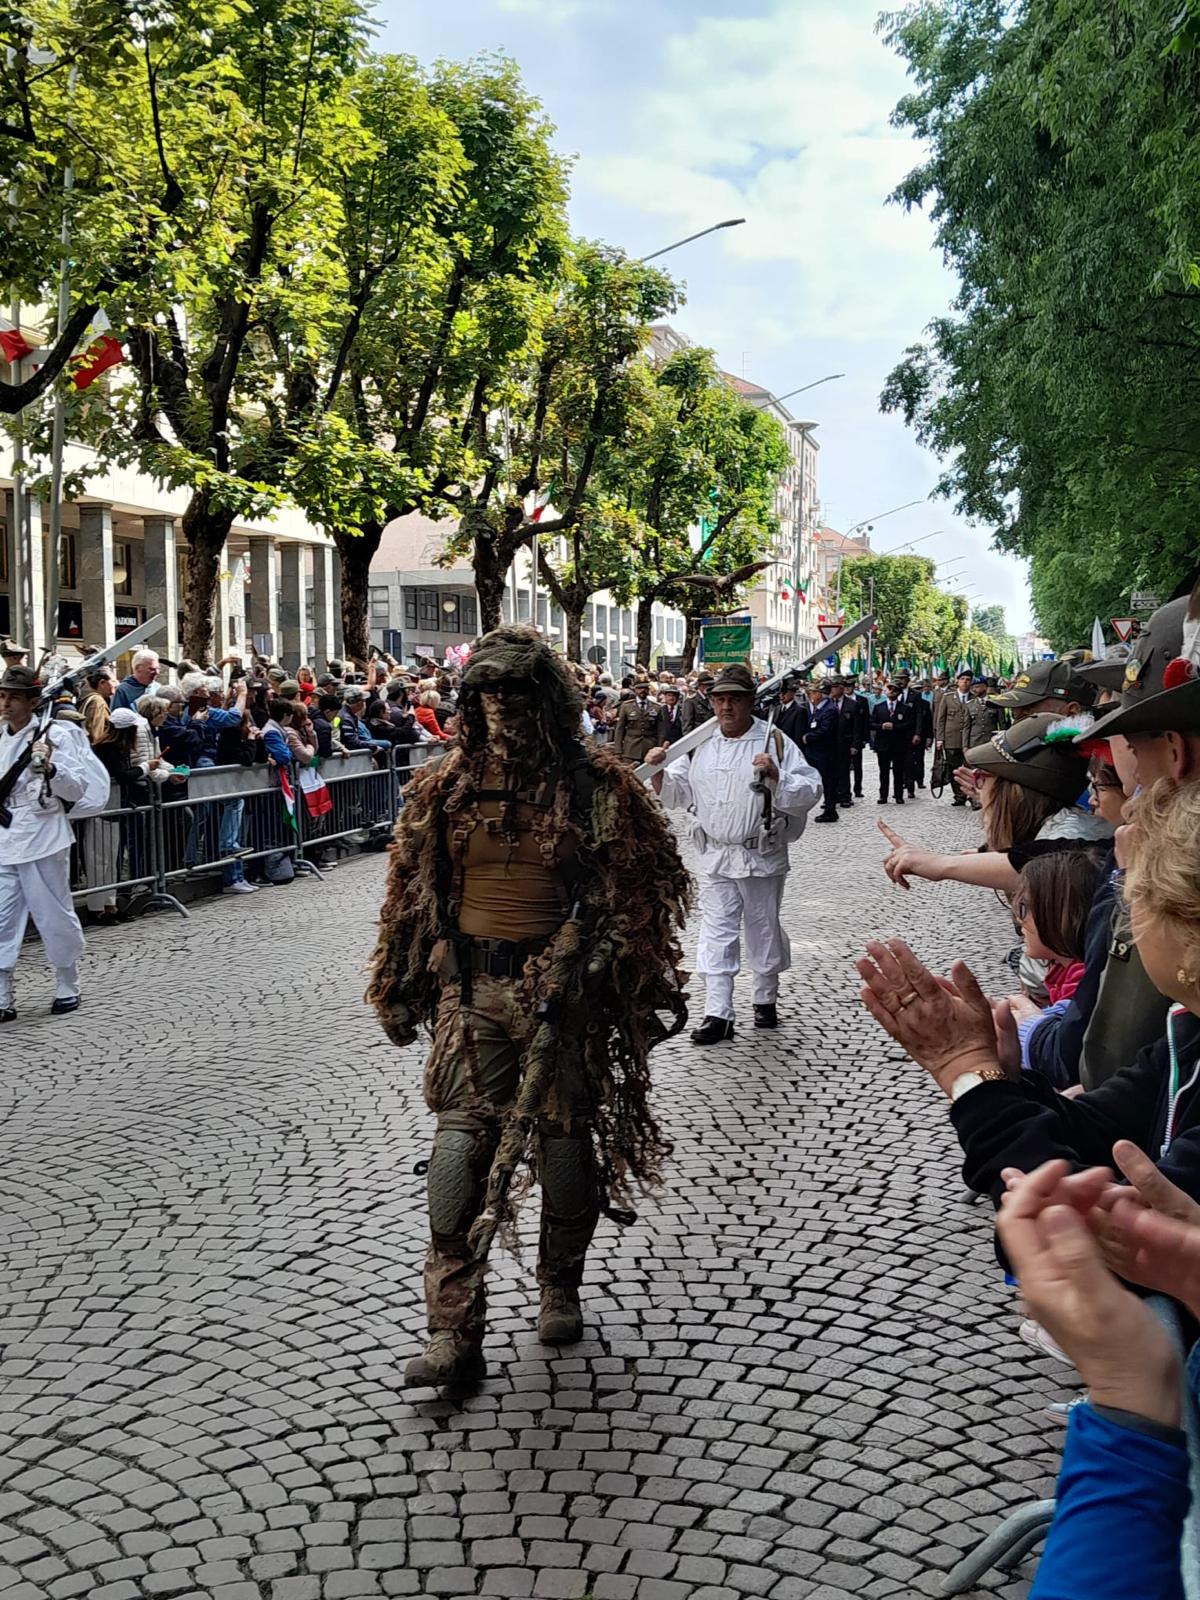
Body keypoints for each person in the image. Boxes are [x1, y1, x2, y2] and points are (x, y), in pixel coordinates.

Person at [367, 626, 689, 1388]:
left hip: (562, 1001)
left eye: (515, 691)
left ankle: (559, 1283)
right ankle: (452, 1331)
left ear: (546, 698)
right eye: (484, 693)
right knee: (456, 1155)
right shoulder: (442, 790)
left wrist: (593, 963)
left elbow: (637, 895)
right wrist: (399, 982)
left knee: (566, 1149)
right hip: (471, 994)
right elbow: (411, 896)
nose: (500, 706)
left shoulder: (596, 787)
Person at [855, 775, 1200, 1213]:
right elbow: (1100, 1126)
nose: (1124, 920)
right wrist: (1004, 1082)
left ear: (1187, 930)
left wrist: (963, 1069)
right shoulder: (1186, 1027)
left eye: (1131, 897)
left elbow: (1092, 1227)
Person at [646, 662, 821, 1042]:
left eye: (735, 700)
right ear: (711, 702)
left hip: (761, 854)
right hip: (716, 855)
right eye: (720, 699)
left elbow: (810, 790)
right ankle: (718, 1013)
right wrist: (658, 771)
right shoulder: (698, 744)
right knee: (717, 930)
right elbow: (677, 795)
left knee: (762, 926)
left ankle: (764, 998)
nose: (727, 707)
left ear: (750, 702)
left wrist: (777, 776)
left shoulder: (772, 741)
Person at [0, 666, 110, 1019]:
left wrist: (50, 768)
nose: (6, 703)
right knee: (2, 918)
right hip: (4, 835)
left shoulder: (55, 736)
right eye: (2, 696)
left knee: (53, 913)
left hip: (44, 833)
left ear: (33, 702)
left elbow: (76, 789)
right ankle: (3, 993)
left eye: (14, 697)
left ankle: (67, 980)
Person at [987, 657, 1093, 722]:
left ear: (1072, 712)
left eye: (1028, 713)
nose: (1016, 724)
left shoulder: (1099, 756)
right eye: (1014, 714)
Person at [870, 679, 914, 805]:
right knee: (883, 772)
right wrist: (881, 726)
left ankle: (898, 795)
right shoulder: (879, 707)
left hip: (898, 744)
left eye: (894, 690)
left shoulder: (905, 708)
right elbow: (871, 723)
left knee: (898, 771)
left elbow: (909, 724)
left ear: (899, 693)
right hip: (882, 744)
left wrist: (895, 726)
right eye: (890, 689)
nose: (891, 692)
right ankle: (883, 795)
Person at [933, 669, 975, 804]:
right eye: (962, 679)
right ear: (957, 681)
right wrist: (940, 739)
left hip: (969, 740)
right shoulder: (948, 697)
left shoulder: (974, 698)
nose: (965, 682)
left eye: (968, 680)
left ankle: (971, 795)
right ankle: (959, 795)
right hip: (951, 738)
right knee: (954, 769)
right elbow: (941, 719)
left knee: (970, 769)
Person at [802, 680, 840, 822]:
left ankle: (830, 810)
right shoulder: (817, 709)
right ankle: (828, 807)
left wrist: (808, 737)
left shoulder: (829, 709)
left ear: (819, 694)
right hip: (816, 752)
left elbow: (825, 730)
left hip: (826, 752)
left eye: (811, 693)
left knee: (828, 782)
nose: (809, 696)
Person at [612, 679, 662, 764]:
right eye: (640, 688)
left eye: (645, 688)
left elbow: (660, 730)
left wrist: (659, 748)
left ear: (649, 689)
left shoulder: (656, 707)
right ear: (635, 690)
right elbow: (620, 729)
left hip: (650, 748)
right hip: (630, 749)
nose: (643, 690)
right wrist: (618, 749)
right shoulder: (626, 706)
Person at [829, 678, 858, 808]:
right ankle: (832, 796)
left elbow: (857, 727)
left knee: (844, 771)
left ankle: (846, 796)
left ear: (841, 688)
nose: (832, 690)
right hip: (830, 744)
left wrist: (855, 744)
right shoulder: (828, 703)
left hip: (845, 743)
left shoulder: (852, 704)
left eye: (834, 687)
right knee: (830, 772)